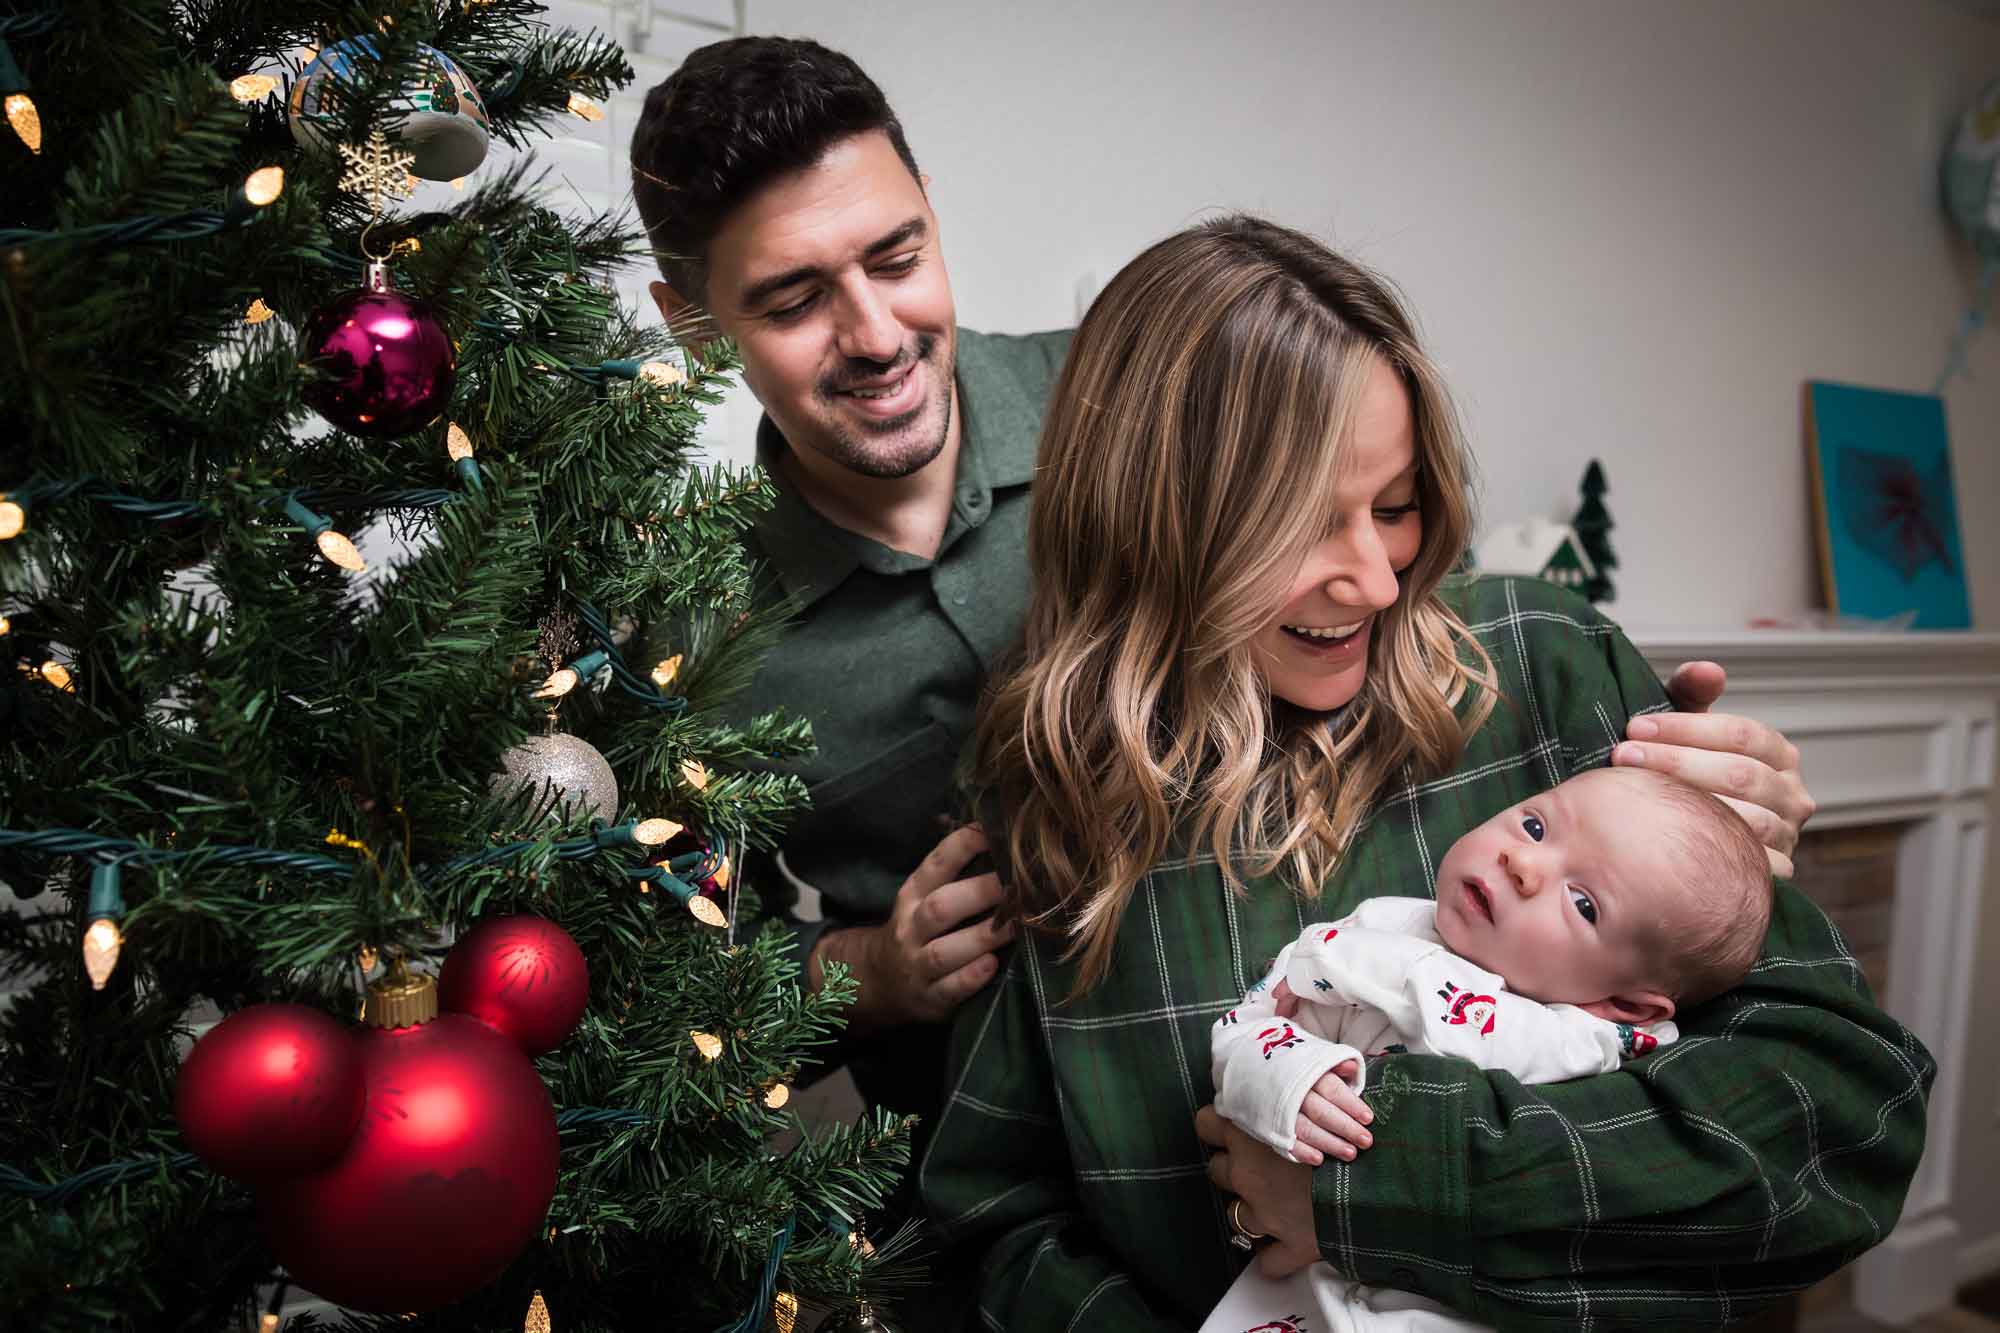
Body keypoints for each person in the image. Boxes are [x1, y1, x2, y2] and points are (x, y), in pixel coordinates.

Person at [629, 39, 1815, 1182]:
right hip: (995, 1129)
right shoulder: (687, 634)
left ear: (930, 211)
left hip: (1283, 988)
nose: (877, 333)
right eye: (793, 300)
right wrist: (862, 972)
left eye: (896, 257)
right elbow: (662, 972)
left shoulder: (1158, 394)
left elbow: (1382, 587)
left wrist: (1681, 824)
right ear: (689, 320)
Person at [921, 216, 1931, 1330]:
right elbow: (993, 1220)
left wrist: (1370, 1185)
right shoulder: (1047, 788)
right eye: (1300, 525)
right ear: (1147, 525)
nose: (1373, 578)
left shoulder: (1547, 669)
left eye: (1393, 508)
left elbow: (1839, 1124)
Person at [1202, 766, 1770, 1333]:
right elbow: (1250, 1024)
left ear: (1628, 1006)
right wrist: (1293, 1078)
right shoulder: (1378, 928)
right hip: (1314, 1293)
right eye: (1535, 826)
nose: (1523, 864)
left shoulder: (1594, 1048)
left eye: (1584, 904)